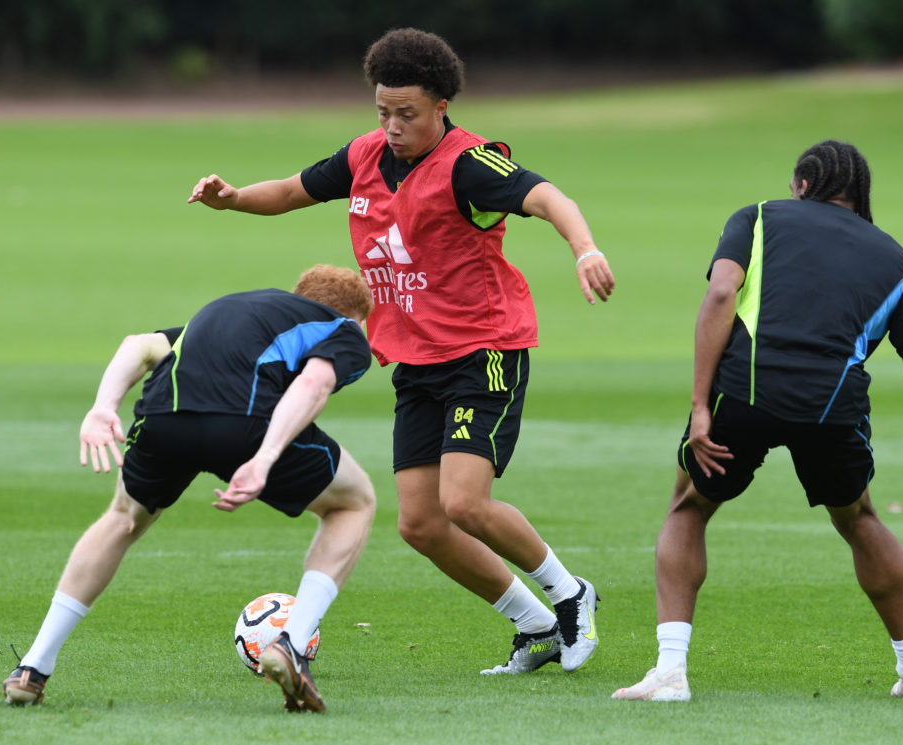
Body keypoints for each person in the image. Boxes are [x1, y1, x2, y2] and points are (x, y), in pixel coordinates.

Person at [188, 28, 615, 675]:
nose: (392, 126)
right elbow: (291, 189)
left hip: (483, 349)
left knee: (465, 501)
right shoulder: (363, 156)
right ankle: (534, 626)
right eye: (383, 112)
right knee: (420, 523)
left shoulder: (471, 163)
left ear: (441, 105)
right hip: (415, 361)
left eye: (406, 114)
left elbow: (548, 197)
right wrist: (233, 199)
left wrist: (584, 247)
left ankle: (569, 594)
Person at [612, 141, 903, 703]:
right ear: (859, 196)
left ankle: (670, 673)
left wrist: (701, 405)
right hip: (832, 408)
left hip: (745, 394)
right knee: (858, 519)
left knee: (689, 507)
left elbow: (721, 294)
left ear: (802, 184)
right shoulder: (898, 260)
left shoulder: (755, 218)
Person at [2, 264, 377, 713]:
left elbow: (137, 347)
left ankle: (32, 668)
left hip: (163, 417)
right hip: (244, 426)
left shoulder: (236, 310)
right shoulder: (343, 329)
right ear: (354, 318)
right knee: (354, 504)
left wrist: (103, 407)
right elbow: (316, 382)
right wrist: (264, 459)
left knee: (122, 519)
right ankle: (292, 645)